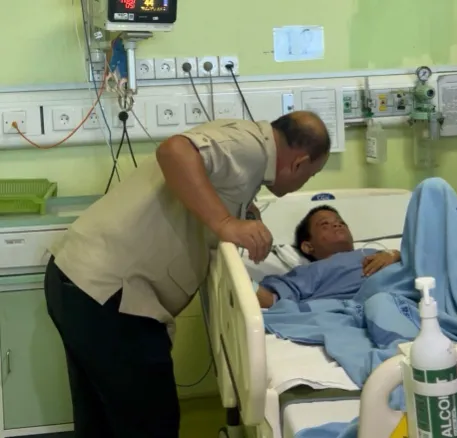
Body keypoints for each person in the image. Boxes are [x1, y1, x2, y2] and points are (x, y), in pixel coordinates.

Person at [43, 111, 330, 438]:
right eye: (310, 175)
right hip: (108, 297)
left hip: (79, 282)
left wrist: (241, 212)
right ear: (298, 163)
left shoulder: (248, 142)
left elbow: (215, 179)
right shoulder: (250, 147)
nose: (304, 183)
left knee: (101, 424)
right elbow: (174, 151)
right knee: (152, 425)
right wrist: (225, 222)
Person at [256, 205, 401, 308]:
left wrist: (395, 255)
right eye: (325, 225)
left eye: (341, 223)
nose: (337, 225)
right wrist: (244, 283)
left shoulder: (375, 252)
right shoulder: (312, 271)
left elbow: (412, 265)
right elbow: (271, 299)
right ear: (308, 246)